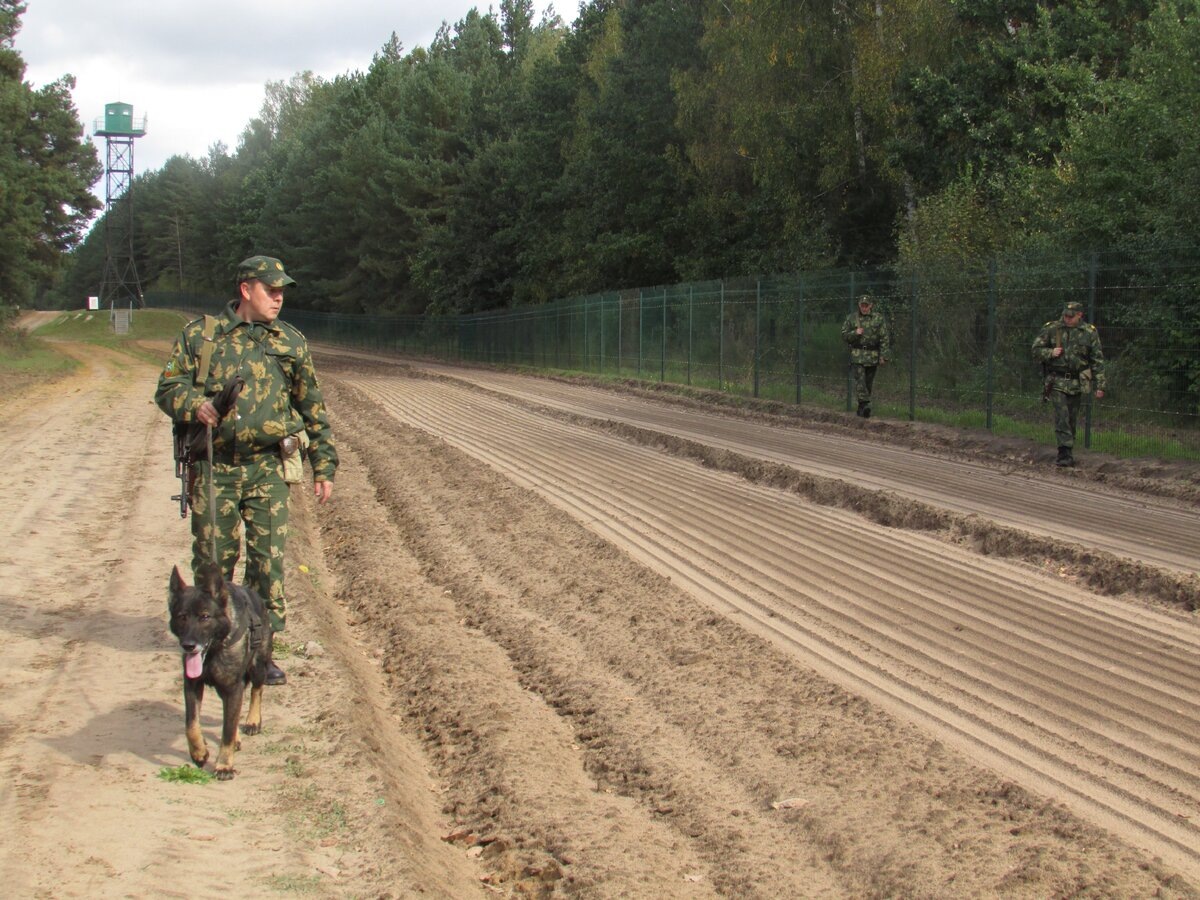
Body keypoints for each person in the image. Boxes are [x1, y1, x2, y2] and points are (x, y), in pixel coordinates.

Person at [156, 255, 338, 684]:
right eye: (270, 290)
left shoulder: (290, 342)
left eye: (281, 291)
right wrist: (195, 405)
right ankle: (209, 645)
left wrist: (324, 465)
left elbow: (312, 406)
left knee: (267, 563)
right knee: (213, 564)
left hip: (267, 468)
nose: (278, 297)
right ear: (245, 290)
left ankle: (261, 653)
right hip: (214, 466)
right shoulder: (202, 336)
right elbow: (167, 387)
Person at [1031, 300, 1106, 467]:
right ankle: (1064, 452)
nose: (1067, 319)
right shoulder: (1052, 329)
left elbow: (1097, 360)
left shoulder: (1089, 332)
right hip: (1056, 380)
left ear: (1080, 315)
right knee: (1062, 416)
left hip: (1077, 381)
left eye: (1071, 316)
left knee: (1071, 418)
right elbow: (1036, 350)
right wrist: (1050, 352)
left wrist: (1100, 384)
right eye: (1065, 315)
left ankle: (1068, 450)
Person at [841, 293, 891, 417]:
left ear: (871, 305)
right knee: (860, 381)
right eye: (862, 305)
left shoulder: (878, 318)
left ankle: (861, 408)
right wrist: (855, 333)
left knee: (868, 383)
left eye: (866, 305)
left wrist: (884, 355)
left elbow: (884, 338)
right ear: (859, 305)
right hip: (858, 355)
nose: (864, 308)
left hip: (872, 355)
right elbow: (844, 335)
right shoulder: (852, 318)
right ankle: (866, 404)